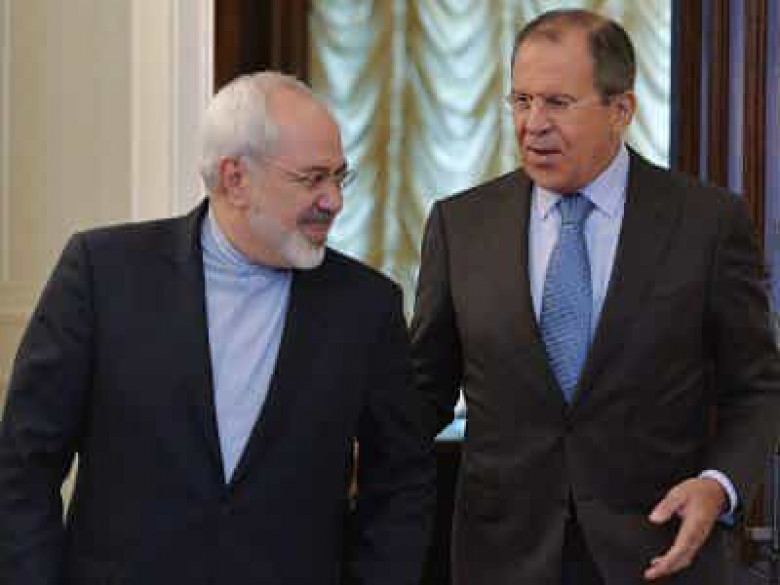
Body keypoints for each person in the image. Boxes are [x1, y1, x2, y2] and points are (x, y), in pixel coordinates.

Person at [0, 71, 434, 585]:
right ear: (235, 179)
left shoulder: (366, 307)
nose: (334, 201)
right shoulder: (103, 273)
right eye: (312, 179)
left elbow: (402, 480)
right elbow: (24, 464)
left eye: (340, 177)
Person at [411, 9, 780, 585]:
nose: (533, 125)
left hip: (659, 555)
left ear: (621, 110)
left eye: (558, 103)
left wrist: (719, 485)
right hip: (502, 559)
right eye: (521, 101)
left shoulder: (706, 223)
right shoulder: (461, 226)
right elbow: (421, 393)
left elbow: (757, 387)